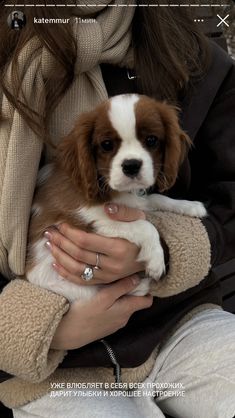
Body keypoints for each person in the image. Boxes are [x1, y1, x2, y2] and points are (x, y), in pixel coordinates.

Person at [0, 1, 235, 417]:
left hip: (176, 325)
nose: (131, 157)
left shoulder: (191, 46)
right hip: (49, 363)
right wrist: (43, 329)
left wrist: (171, 244)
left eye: (149, 143)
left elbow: (223, 195)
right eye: (108, 146)